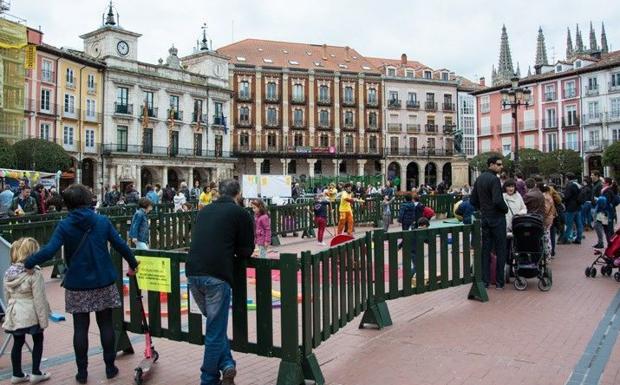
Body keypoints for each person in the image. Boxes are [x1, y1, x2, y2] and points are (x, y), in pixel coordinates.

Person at [24, 184, 139, 383]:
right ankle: (110, 367)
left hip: (77, 283)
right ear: (87, 200)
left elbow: (50, 250)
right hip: (103, 280)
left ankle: (82, 372)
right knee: (106, 325)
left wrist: (29, 262)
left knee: (80, 328)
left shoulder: (65, 225)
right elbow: (120, 245)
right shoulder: (102, 221)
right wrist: (133, 263)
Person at [186, 179, 254, 385]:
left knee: (215, 326)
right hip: (216, 275)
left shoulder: (204, 211)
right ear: (238, 194)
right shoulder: (241, 213)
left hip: (192, 273)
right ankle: (208, 379)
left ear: (218, 192)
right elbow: (246, 250)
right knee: (215, 332)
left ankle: (227, 364)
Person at [3, 237, 51, 384]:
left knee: (17, 342)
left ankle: (17, 374)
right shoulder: (34, 273)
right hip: (31, 312)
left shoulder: (9, 273)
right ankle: (36, 372)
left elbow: (7, 296)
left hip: (15, 312)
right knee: (38, 339)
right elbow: (39, 298)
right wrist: (44, 320)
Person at [470, 155, 509, 289]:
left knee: (485, 250)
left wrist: (482, 209)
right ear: (491, 165)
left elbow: (472, 201)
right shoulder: (494, 179)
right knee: (500, 249)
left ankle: (485, 281)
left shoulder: (479, 179)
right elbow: (498, 200)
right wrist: (505, 209)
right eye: (498, 164)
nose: (501, 166)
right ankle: (499, 282)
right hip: (497, 219)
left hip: (485, 218)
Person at [562, 172, 583, 245]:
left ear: (567, 178)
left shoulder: (569, 185)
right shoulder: (578, 185)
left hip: (570, 207)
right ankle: (579, 238)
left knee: (569, 224)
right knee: (579, 224)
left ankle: (566, 238)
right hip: (578, 206)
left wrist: (562, 198)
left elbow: (567, 196)